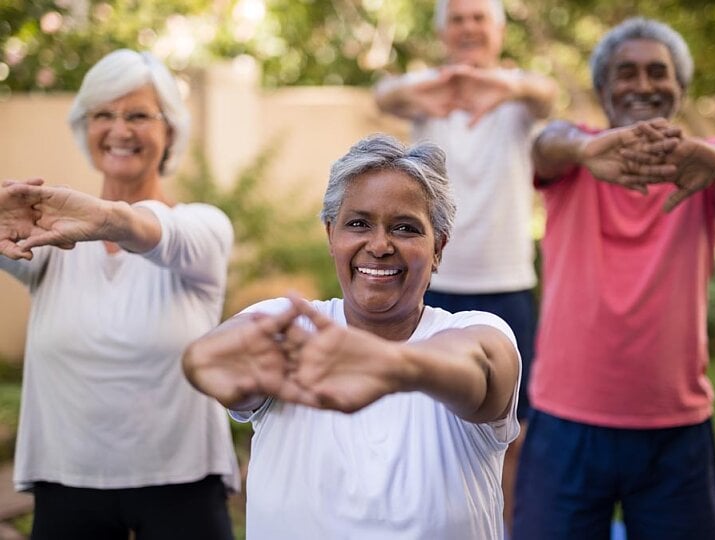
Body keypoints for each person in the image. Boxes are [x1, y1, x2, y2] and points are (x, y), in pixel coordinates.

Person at [182, 133, 522, 539]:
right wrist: (207, 364)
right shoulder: (285, 324)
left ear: (438, 248)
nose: (379, 246)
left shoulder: (475, 331)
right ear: (331, 235)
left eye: (405, 228)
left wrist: (390, 366)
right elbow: (209, 358)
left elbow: (477, 369)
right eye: (358, 224)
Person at [512, 17, 715, 540]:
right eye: (626, 73)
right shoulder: (576, 156)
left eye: (657, 72)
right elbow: (546, 142)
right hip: (566, 421)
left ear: (679, 88)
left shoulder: (702, 165)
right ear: (604, 89)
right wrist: (584, 149)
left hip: (675, 427)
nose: (643, 85)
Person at [0, 49, 240, 540]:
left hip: (183, 485)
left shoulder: (202, 228)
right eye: (103, 114)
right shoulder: (51, 241)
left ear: (170, 130)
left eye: (138, 115)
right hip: (66, 482)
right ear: (84, 127)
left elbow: (157, 232)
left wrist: (107, 216)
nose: (119, 130)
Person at [374, 0, 557, 528]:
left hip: (506, 283)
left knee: (512, 431)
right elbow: (383, 94)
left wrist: (503, 85)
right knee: (420, 420)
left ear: (498, 30)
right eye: (458, 19)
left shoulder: (516, 96)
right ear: (443, 32)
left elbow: (547, 94)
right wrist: (430, 90)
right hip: (429, 284)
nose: (469, 28)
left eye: (479, 18)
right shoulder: (428, 90)